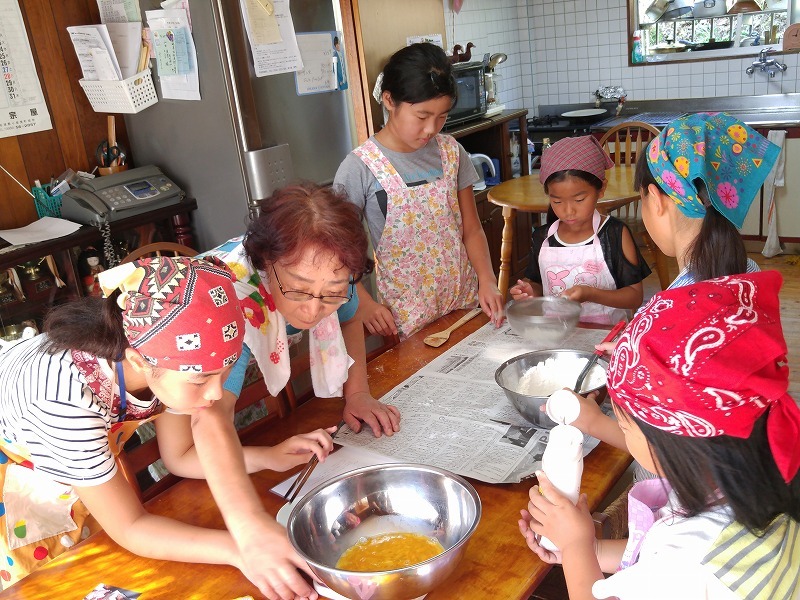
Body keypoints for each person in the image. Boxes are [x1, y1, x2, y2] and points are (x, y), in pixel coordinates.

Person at [0, 256, 336, 599]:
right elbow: (131, 527)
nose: (216, 393)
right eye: (202, 379)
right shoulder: (62, 403)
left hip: (76, 458)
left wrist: (268, 457)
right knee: (51, 581)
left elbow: (181, 457)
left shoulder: (166, 354)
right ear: (138, 363)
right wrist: (242, 549)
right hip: (22, 488)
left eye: (225, 372)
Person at [519, 272, 800, 600]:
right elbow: (655, 561)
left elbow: (673, 568)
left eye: (624, 424)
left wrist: (575, 545)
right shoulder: (748, 478)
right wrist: (589, 550)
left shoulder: (692, 568)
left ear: (672, 446)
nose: (621, 429)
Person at [564, 113, 783, 452]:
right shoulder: (750, 271)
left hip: (688, 497)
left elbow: (669, 454)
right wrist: (639, 350)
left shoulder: (670, 312)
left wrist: (591, 419)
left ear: (656, 199)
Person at [201, 183, 401, 438]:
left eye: (332, 292)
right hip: (182, 384)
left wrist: (358, 394)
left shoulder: (333, 275)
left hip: (246, 372)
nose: (314, 309)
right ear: (265, 263)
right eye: (298, 290)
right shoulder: (233, 303)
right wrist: (266, 458)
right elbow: (209, 423)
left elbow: (349, 317)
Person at [333, 42, 504, 339]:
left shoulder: (452, 152)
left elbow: (472, 230)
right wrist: (362, 303)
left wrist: (487, 279)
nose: (431, 129)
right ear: (389, 100)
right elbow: (334, 249)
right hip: (406, 319)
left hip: (463, 303)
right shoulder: (360, 167)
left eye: (441, 116)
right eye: (422, 116)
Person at [508, 135, 651, 324]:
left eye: (579, 200)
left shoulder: (614, 234)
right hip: (557, 332)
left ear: (601, 189)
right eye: (557, 201)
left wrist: (591, 293)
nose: (568, 211)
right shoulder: (543, 237)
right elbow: (538, 284)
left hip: (606, 335)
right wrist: (529, 291)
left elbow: (634, 296)